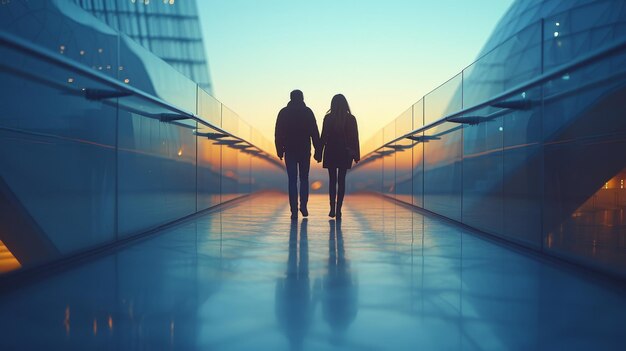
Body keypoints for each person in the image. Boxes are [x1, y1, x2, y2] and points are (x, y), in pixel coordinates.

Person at [275, 90, 321, 219]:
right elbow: (315, 132)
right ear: (302, 98)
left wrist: (279, 149)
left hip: (289, 149)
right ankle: (304, 206)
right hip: (304, 149)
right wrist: (318, 151)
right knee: (304, 179)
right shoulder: (308, 112)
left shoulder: (284, 112)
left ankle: (294, 210)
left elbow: (278, 132)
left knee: (292, 180)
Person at [315, 94, 360, 219]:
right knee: (341, 181)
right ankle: (339, 209)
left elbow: (323, 136)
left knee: (332, 181)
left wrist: (319, 152)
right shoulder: (351, 119)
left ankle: (332, 208)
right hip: (345, 152)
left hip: (331, 151)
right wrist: (356, 154)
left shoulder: (328, 118)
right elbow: (355, 138)